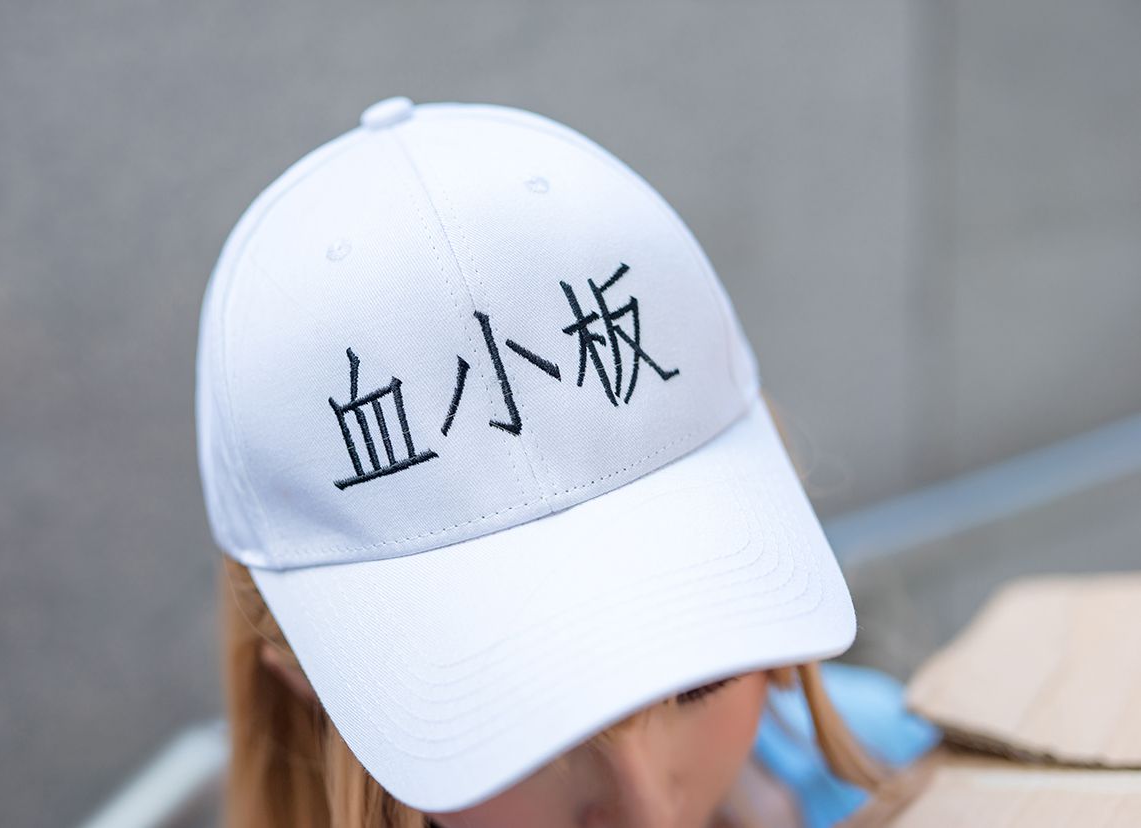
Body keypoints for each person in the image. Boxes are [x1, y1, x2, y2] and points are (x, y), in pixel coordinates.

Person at [196, 97, 938, 827]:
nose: (645, 809)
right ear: (314, 689)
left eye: (700, 678)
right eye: (513, 727)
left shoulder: (911, 763)